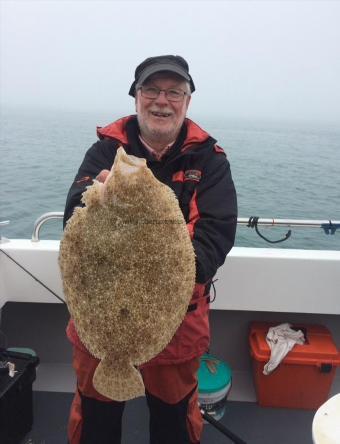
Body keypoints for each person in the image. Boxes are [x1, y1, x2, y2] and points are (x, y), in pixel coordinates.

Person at [63, 54, 237, 444]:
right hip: (100, 318)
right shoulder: (103, 153)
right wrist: (95, 197)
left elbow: (217, 233)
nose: (162, 100)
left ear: (187, 102)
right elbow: (72, 220)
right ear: (136, 98)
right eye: (152, 90)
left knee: (174, 424)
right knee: (95, 424)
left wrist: (164, 277)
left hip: (177, 324)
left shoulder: (208, 161)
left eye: (174, 92)